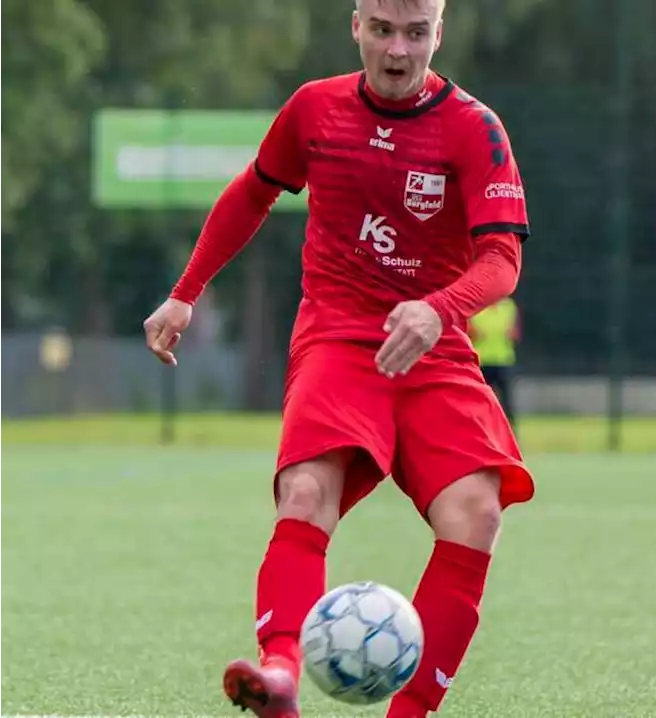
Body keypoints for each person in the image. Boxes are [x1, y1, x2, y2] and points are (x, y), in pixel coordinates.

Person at [140, 0, 533, 716]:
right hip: (338, 336)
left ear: (437, 34)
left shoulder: (475, 129)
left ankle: (408, 713)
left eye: (416, 34)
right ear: (356, 25)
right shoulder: (314, 109)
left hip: (434, 348)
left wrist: (438, 308)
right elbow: (253, 193)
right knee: (305, 494)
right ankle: (281, 674)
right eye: (382, 30)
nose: (397, 51)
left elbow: (502, 259)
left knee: (476, 512)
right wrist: (184, 293)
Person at [469, 296, 520, 429]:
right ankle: (482, 430)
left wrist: (511, 333)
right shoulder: (476, 305)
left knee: (507, 402)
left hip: (503, 359)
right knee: (480, 401)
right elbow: (469, 331)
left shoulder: (508, 306)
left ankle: (510, 434)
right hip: (482, 361)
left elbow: (515, 332)